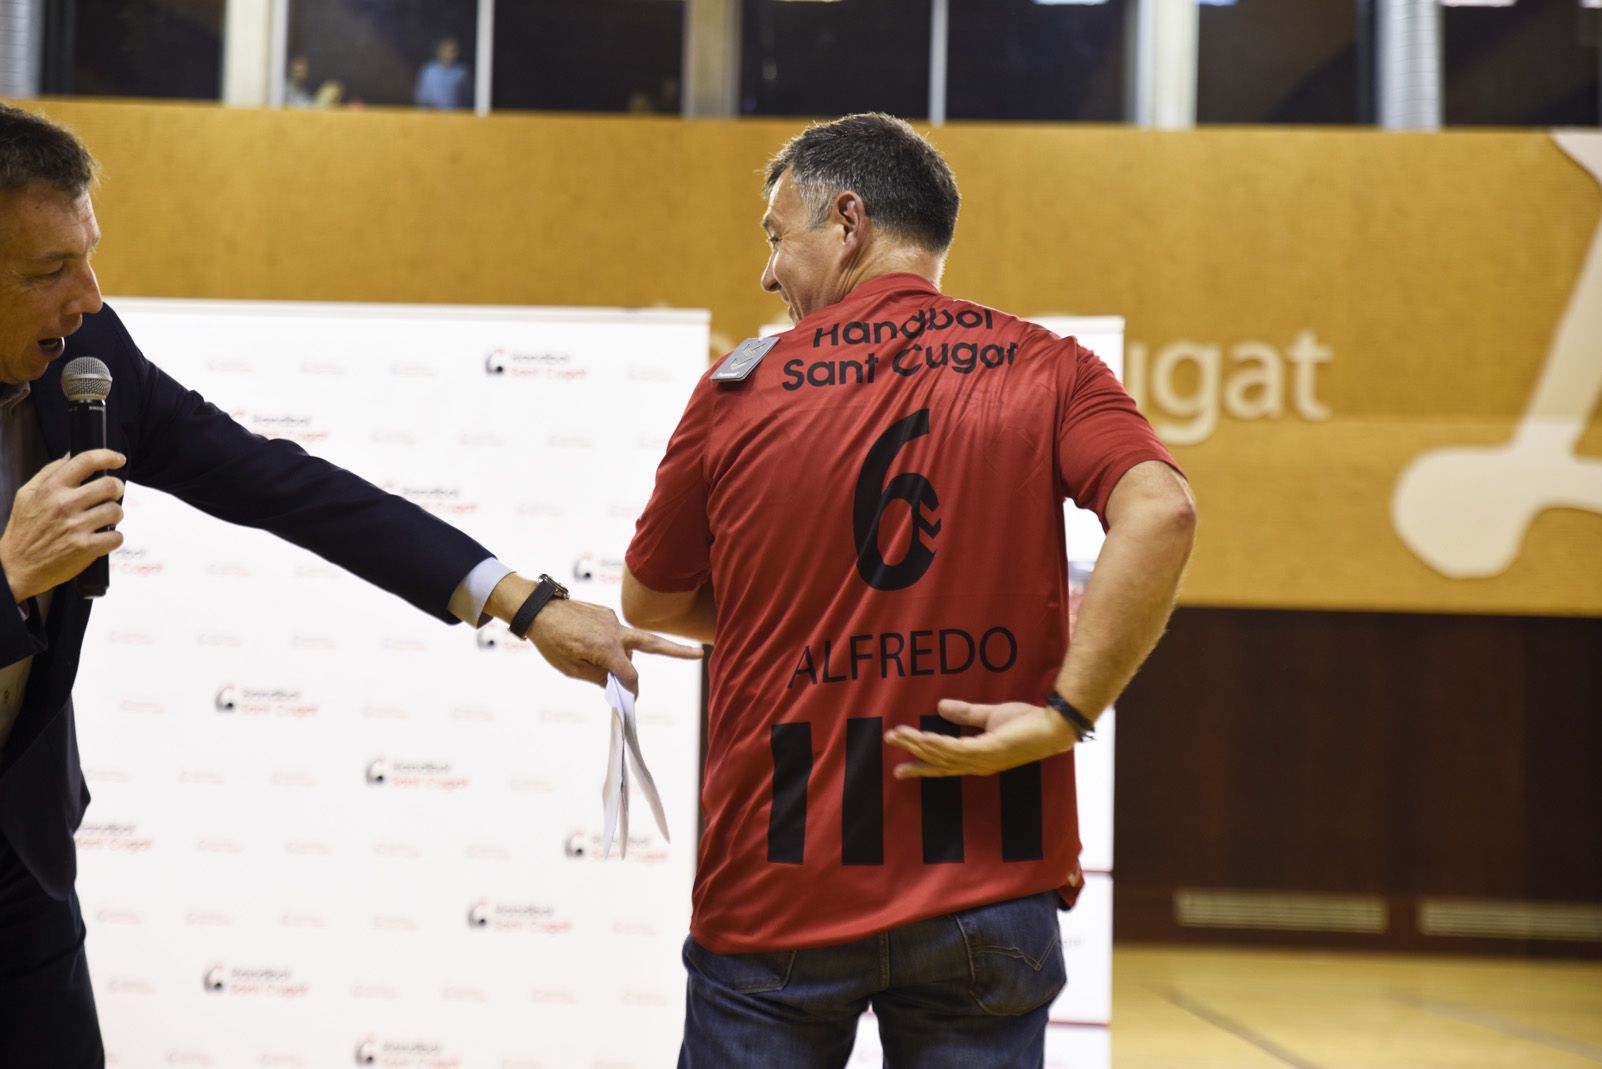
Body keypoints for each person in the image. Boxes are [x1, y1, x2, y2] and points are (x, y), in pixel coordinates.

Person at [0, 102, 699, 1068]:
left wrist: (522, 602)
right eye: (49, 272)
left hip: (19, 845)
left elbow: (277, 481)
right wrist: (9, 579)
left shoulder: (88, 358)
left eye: (89, 254)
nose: (89, 296)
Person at [623, 113, 1195, 1067]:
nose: (768, 272)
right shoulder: (1046, 365)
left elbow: (651, 602)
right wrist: (1065, 713)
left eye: (777, 235)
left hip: (777, 879)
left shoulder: (738, 386)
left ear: (847, 223)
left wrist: (786, 619)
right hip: (986, 878)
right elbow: (1163, 512)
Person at [414, 37, 470, 111]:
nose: (449, 54)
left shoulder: (461, 72)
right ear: (439, 51)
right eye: (446, 50)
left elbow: (468, 97)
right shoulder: (429, 71)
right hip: (433, 116)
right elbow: (421, 97)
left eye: (453, 51)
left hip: (456, 116)